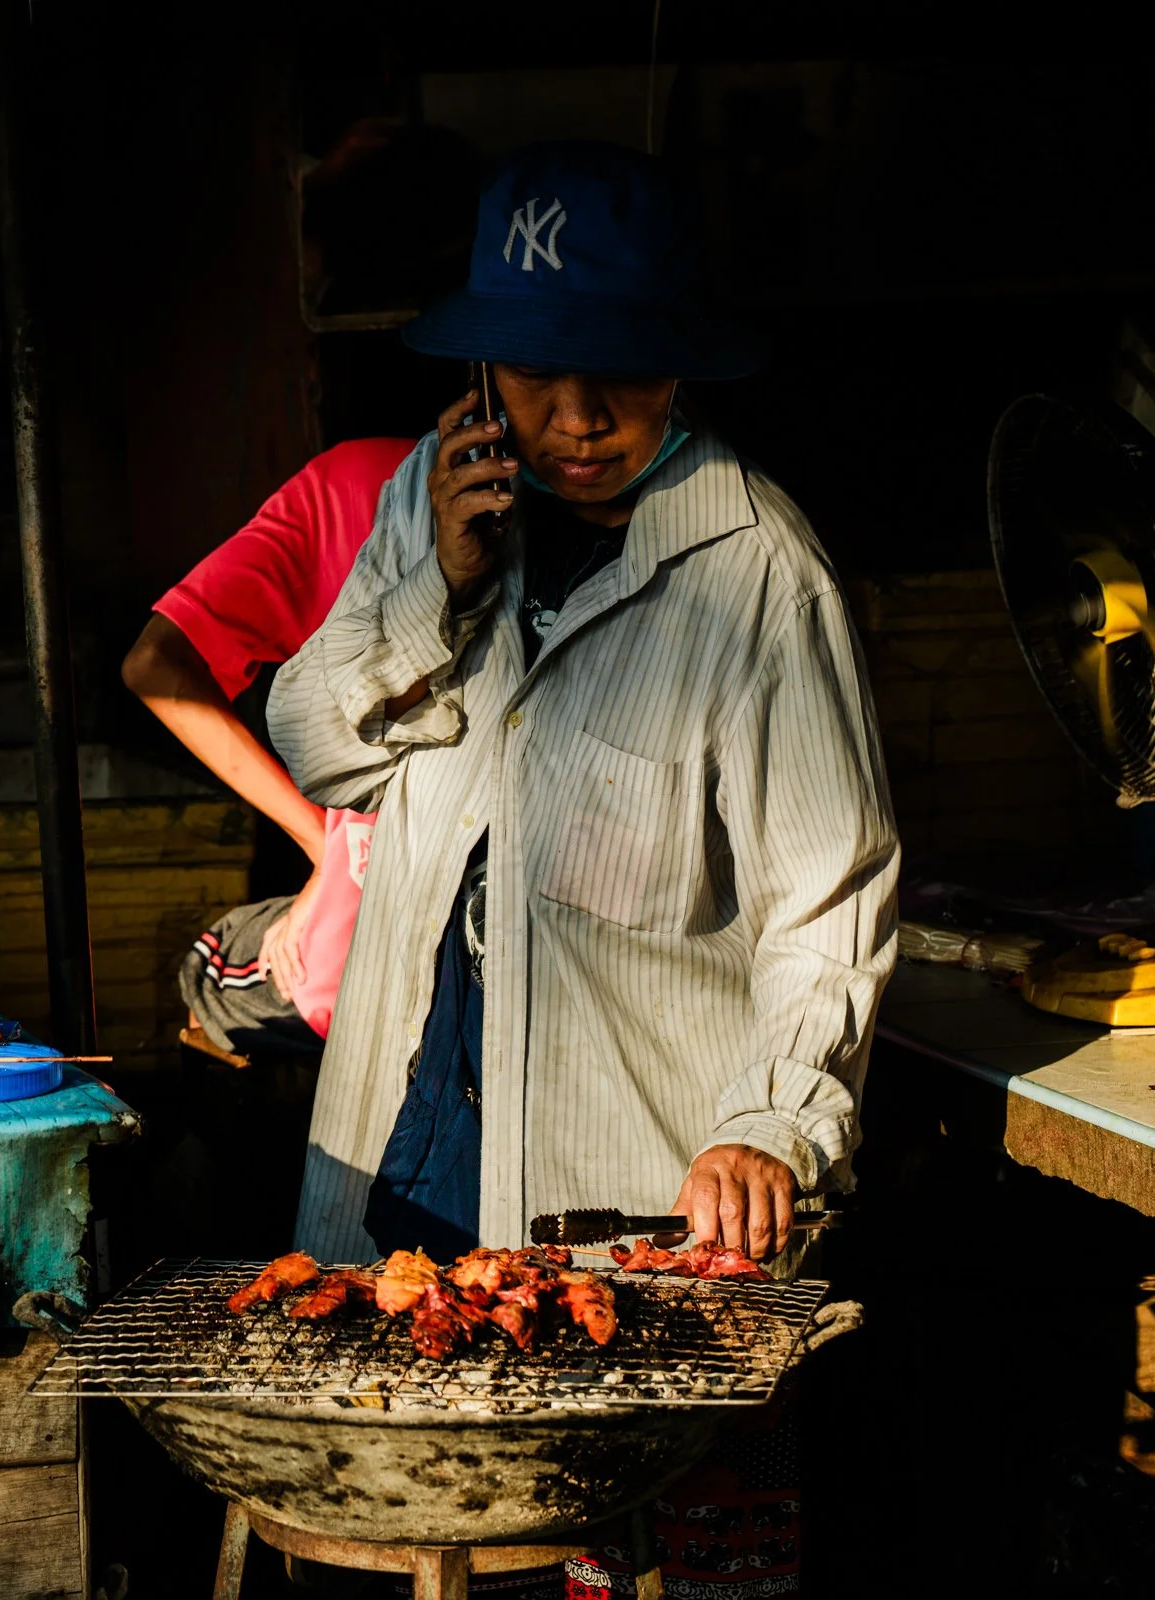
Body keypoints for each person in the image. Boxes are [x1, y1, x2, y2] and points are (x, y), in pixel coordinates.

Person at [267, 140, 898, 1272]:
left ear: (677, 364)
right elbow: (314, 745)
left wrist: (772, 1122)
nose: (578, 415)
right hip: (405, 1156)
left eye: (618, 369)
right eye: (531, 372)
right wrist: (437, 595)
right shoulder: (432, 499)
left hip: (619, 1209)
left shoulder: (755, 573)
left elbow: (829, 896)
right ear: (477, 373)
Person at [123, 437, 415, 1060]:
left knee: (212, 971)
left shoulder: (354, 480)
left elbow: (153, 665)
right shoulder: (606, 508)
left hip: (393, 903)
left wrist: (324, 847)